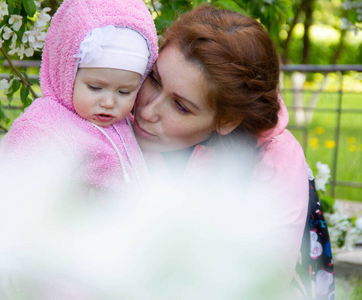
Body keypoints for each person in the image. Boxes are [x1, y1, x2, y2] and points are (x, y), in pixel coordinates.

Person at [132, 5, 334, 299]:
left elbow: (258, 282)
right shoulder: (114, 108)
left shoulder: (276, 159)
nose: (147, 111)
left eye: (181, 106)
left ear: (227, 120)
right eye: (154, 79)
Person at [0, 0, 158, 194]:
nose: (108, 103)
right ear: (68, 75)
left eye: (124, 92)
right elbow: (16, 189)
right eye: (95, 87)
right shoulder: (45, 128)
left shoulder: (126, 125)